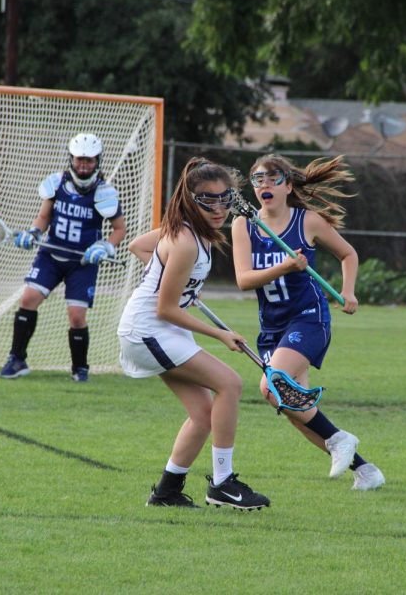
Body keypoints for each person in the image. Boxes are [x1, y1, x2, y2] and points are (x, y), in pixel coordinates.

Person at [117, 157, 270, 510]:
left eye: (225, 198)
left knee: (203, 413)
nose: (219, 208)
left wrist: (180, 283)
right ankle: (222, 483)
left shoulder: (190, 232)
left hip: (161, 329)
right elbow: (165, 308)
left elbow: (138, 246)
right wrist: (220, 334)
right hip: (148, 330)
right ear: (190, 200)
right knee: (230, 383)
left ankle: (167, 492)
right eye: (208, 200)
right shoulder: (185, 241)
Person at [231, 153, 385, 491]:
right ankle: (366, 470)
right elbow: (244, 279)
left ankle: (341, 440)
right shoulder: (244, 225)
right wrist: (285, 267)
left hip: (308, 319)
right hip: (272, 329)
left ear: (288, 185)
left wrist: (348, 291)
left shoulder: (308, 221)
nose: (265, 185)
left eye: (273, 178)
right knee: (290, 404)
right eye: (258, 179)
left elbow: (348, 254)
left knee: (272, 384)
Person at [0, 133, 126, 382]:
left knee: (77, 315)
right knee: (28, 298)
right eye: (80, 159)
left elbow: (120, 229)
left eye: (89, 160)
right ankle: (16, 359)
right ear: (71, 158)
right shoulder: (56, 184)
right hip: (51, 255)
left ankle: (80, 369)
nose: (84, 165)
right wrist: (34, 231)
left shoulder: (105, 192)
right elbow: (44, 217)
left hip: (83, 262)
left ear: (98, 161)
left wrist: (105, 246)